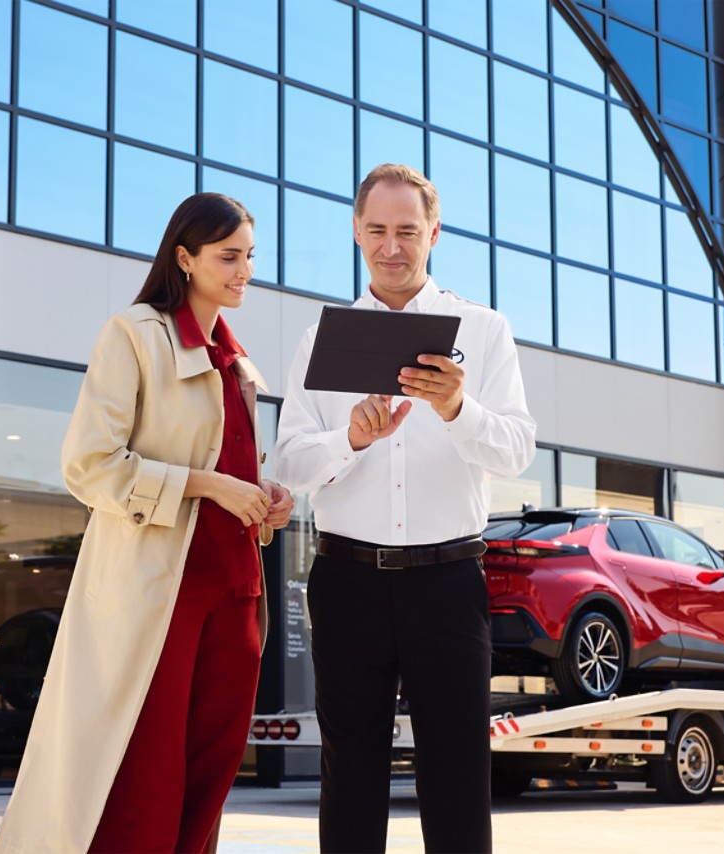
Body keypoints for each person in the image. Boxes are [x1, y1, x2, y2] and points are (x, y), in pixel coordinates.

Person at [0, 192, 294, 854]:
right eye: (228, 257)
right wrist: (207, 485)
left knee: (210, 775)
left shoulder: (239, 365)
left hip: (236, 590)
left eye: (249, 257)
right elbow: (90, 466)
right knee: (144, 775)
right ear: (184, 258)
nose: (244, 270)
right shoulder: (135, 335)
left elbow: (230, 466)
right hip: (161, 591)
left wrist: (266, 494)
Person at [273, 164, 536, 853]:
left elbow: (514, 452)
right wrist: (350, 438)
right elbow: (289, 464)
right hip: (347, 582)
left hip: (447, 584)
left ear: (435, 234)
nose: (392, 247)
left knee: (455, 772)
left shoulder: (483, 332)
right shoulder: (318, 339)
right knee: (350, 772)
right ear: (357, 231)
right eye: (378, 230)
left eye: (408, 232)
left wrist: (456, 407)